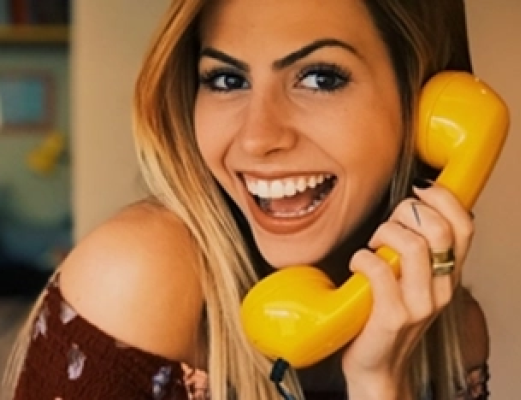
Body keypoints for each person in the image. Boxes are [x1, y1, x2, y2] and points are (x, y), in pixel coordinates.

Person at [2, 0, 492, 399]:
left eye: (320, 78)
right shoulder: (138, 278)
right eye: (227, 80)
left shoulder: (452, 337)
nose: (257, 138)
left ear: (423, 106)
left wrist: (379, 384)